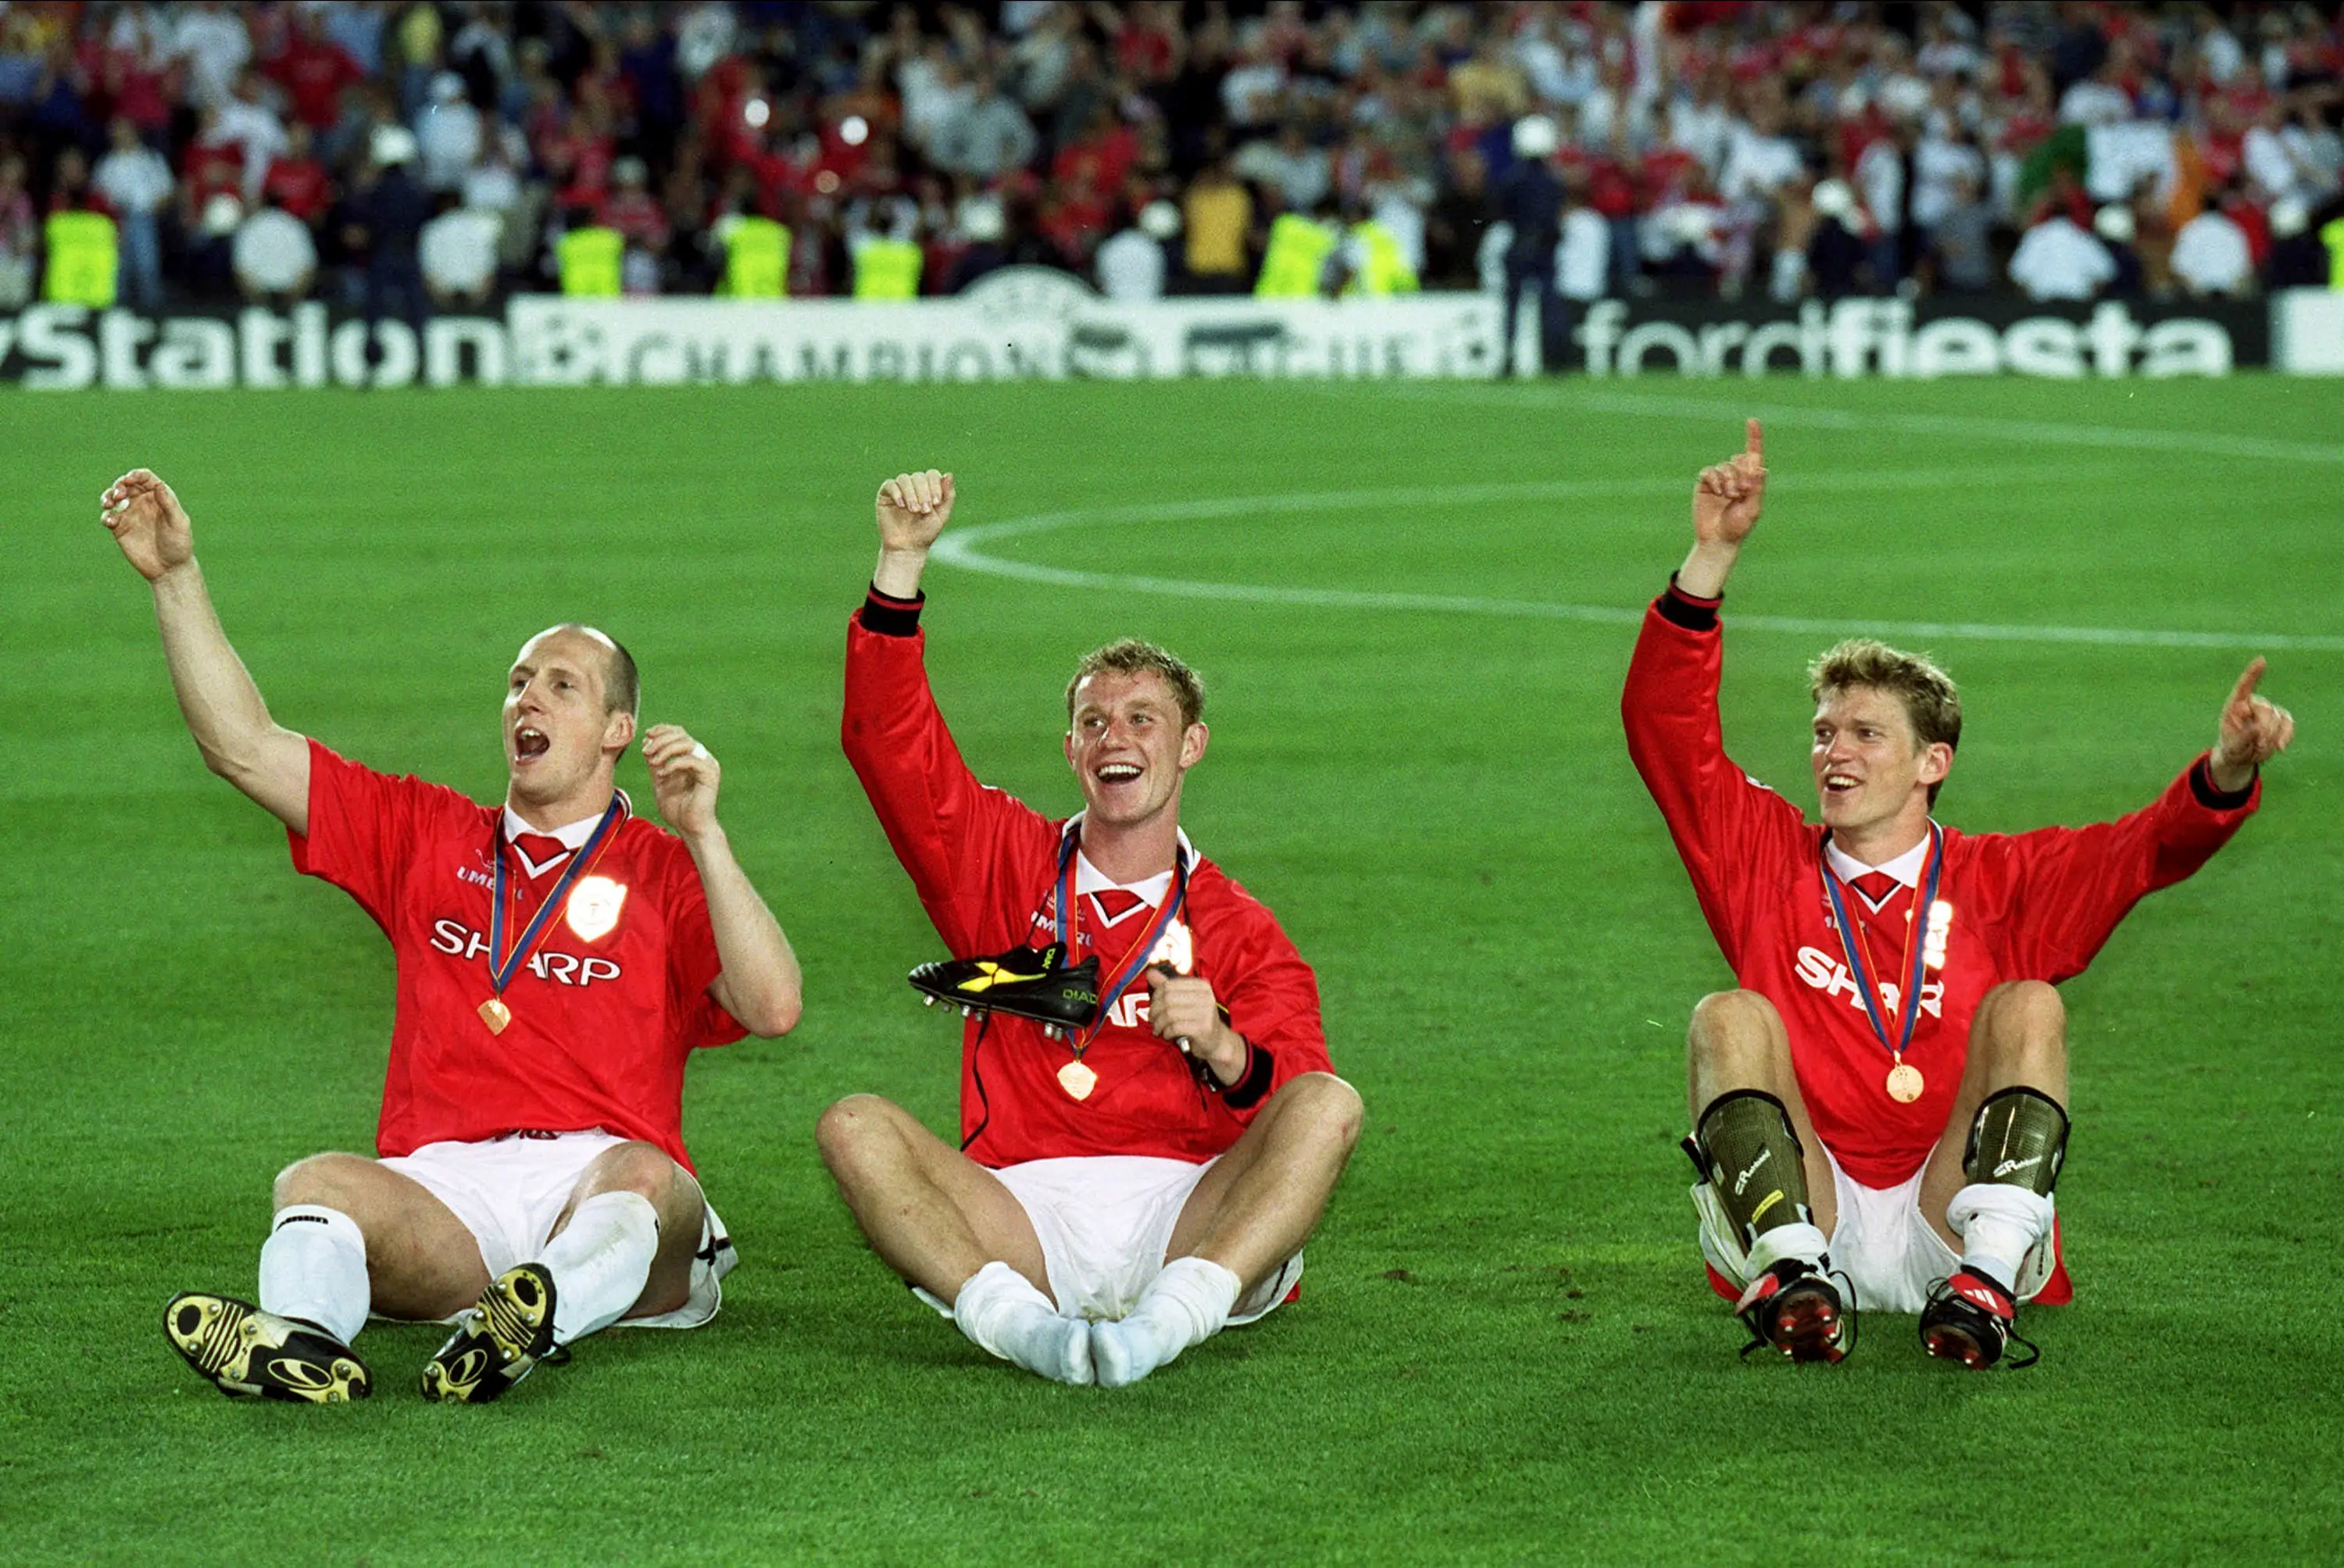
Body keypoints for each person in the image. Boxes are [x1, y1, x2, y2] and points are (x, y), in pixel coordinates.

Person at [102, 470, 801, 1405]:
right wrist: (174, 577)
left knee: (650, 1176)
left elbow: (773, 1006)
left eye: (561, 686)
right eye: (518, 684)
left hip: (600, 1178)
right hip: (448, 1192)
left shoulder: (665, 869)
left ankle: (537, 1313)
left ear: (617, 731)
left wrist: (706, 836)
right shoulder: (426, 834)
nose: (527, 701)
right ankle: (305, 1343)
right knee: (315, 1184)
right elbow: (245, 747)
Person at [1622, 422, 2292, 1368]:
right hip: (1809, 1211)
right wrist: (1711, 557)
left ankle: (1984, 1288)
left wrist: (2225, 771)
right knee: (1726, 1016)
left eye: (1866, 734)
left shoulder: (2006, 879)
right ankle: (1791, 1281)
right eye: (1823, 732)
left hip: (1953, 1209)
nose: (1835, 753)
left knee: (2030, 1004)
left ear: (1932, 763)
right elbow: (1666, 732)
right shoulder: (1762, 854)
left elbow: (2146, 848)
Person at [822, 470, 1362, 1388]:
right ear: (1072, 749)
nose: (1117, 737)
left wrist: (1224, 1046)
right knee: (853, 1127)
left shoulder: (1239, 927)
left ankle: (1173, 1319)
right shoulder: (999, 862)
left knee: (1330, 1104)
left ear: (1190, 745)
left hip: (1187, 1210)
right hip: (1021, 1213)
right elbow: (888, 744)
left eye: (1143, 719)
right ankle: (1023, 1329)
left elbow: (1289, 1113)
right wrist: (900, 564)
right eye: (1094, 721)